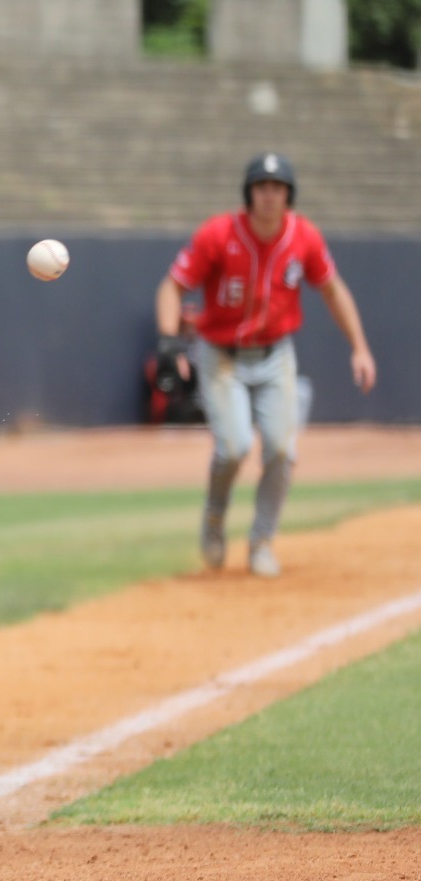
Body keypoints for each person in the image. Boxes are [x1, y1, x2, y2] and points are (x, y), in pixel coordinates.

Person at [155, 153, 376, 578]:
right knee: (234, 447)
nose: (270, 195)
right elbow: (173, 286)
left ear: (289, 195)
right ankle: (214, 517)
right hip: (222, 356)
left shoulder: (304, 237)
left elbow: (333, 290)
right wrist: (168, 342)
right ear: (249, 193)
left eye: (278, 187)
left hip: (275, 356)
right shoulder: (219, 233)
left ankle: (261, 542)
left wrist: (360, 347)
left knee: (281, 449)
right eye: (262, 187)